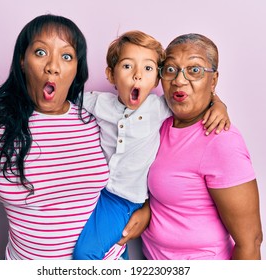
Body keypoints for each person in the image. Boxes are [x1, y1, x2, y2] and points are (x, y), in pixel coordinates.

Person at [0, 14, 150, 260]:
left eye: (66, 56)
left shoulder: (97, 119)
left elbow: (141, 159)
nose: (53, 66)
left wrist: (146, 209)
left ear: (77, 69)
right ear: (22, 62)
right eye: (40, 52)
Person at [73, 31, 231, 260]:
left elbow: (193, 98)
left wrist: (219, 104)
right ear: (110, 74)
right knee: (113, 251)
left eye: (148, 69)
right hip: (98, 193)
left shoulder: (159, 107)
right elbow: (63, 98)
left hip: (124, 198)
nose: (138, 75)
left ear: (157, 80)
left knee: (85, 254)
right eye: (128, 66)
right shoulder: (98, 102)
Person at [141, 33, 263, 260]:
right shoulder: (155, 123)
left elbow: (251, 242)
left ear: (213, 80)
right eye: (170, 69)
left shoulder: (221, 140)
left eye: (194, 70)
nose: (179, 80)